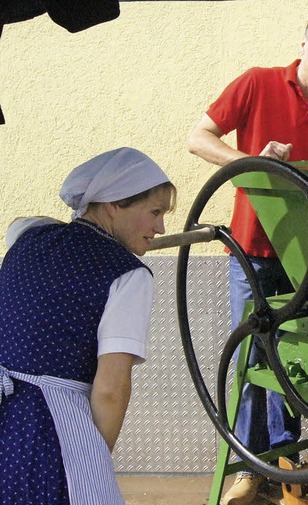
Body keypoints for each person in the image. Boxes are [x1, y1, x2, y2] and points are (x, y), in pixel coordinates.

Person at [187, 11, 308, 505]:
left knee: (297, 365)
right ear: (304, 46)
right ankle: (250, 469)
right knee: (251, 358)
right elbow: (198, 138)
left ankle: (286, 464)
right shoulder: (257, 84)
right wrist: (250, 162)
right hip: (252, 249)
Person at [0, 147, 176, 505]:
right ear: (113, 204)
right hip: (46, 429)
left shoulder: (28, 237)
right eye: (154, 212)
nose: (160, 228)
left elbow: (26, 222)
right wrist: (92, 459)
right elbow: (111, 388)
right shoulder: (129, 275)